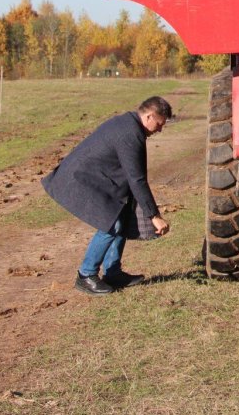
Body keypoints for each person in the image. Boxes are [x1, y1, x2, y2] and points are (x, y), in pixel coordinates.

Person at [42, 96, 173, 296]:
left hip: (97, 177)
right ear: (149, 116)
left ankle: (113, 273)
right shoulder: (130, 134)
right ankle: (86, 275)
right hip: (81, 178)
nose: (160, 129)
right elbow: (136, 179)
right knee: (112, 225)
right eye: (159, 124)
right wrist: (154, 216)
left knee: (121, 216)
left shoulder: (130, 125)